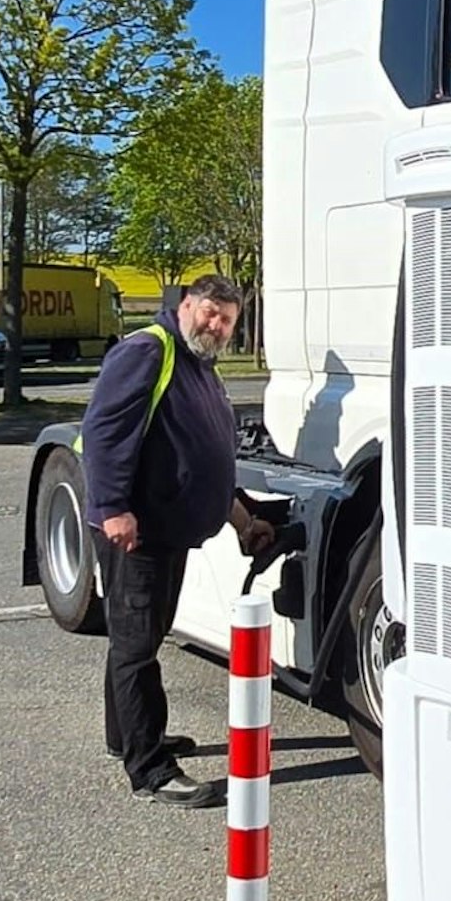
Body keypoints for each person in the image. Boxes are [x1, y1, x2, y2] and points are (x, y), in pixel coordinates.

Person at [81, 272, 273, 808]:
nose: (217, 324)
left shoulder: (200, 366)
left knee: (138, 637)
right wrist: (114, 508)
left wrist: (239, 520)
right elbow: (103, 432)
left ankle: (127, 738)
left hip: (169, 531)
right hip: (136, 533)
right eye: (209, 312)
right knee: (137, 646)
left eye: (227, 319)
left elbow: (203, 456)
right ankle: (152, 770)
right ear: (185, 305)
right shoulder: (149, 350)